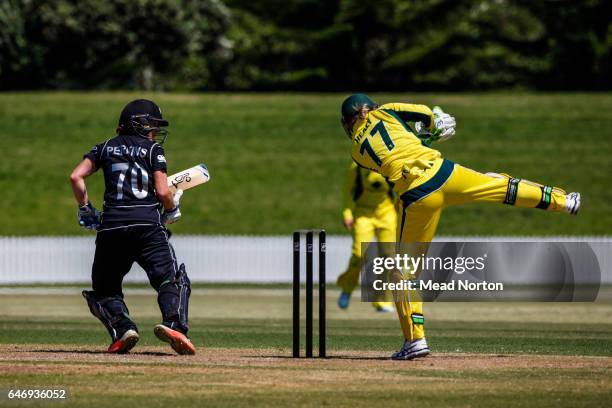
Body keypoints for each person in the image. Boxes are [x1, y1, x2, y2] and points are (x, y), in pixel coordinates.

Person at [340, 94, 581, 360]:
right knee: (500, 185)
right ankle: (564, 201)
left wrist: (426, 138)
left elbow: (395, 159)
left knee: (403, 273)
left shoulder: (356, 151)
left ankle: (415, 340)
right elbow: (427, 115)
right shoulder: (388, 111)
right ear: (370, 107)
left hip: (417, 195)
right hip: (444, 172)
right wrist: (433, 128)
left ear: (348, 122)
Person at [69, 99, 195, 355]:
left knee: (105, 289)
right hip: (147, 225)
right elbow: (161, 190)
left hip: (112, 226)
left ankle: (123, 328)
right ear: (140, 125)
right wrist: (172, 208)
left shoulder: (104, 148)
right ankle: (174, 324)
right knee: (171, 280)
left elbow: (76, 176)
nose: (154, 133)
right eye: (152, 127)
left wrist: (85, 209)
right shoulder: (153, 150)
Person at [337, 161, 395, 312]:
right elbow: (347, 191)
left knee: (389, 258)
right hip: (363, 214)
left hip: (386, 213)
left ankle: (382, 301)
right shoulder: (356, 167)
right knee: (359, 254)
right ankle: (347, 288)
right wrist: (347, 213)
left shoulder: (392, 163)